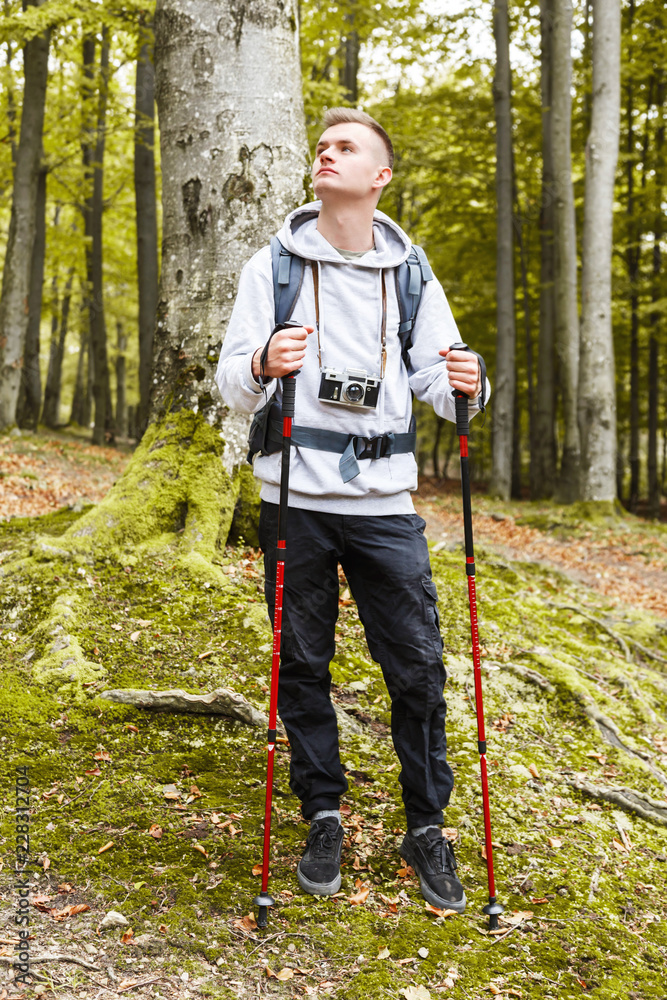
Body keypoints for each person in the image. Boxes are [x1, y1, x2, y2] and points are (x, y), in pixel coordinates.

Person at [215, 107, 490, 914]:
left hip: (384, 503)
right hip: (292, 496)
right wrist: (262, 361)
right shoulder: (271, 266)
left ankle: (426, 825)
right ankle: (322, 813)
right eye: (322, 146)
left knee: (418, 668)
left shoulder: (410, 272)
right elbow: (232, 382)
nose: (326, 155)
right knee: (301, 664)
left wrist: (470, 382)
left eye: (346, 147)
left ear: (380, 177)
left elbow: (442, 380)